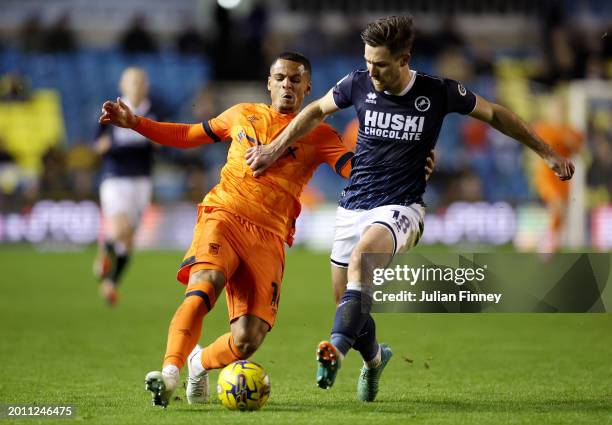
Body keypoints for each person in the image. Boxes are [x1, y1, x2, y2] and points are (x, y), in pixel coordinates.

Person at [245, 15, 575, 402]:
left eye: (381, 65)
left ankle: (334, 350)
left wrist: (547, 153)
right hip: (354, 204)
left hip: (403, 207)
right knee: (350, 298)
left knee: (362, 263)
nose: (372, 72)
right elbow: (315, 111)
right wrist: (271, 149)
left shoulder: (438, 92)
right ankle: (373, 360)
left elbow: (497, 114)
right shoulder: (357, 84)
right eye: (368, 62)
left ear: (404, 59)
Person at [98, 52, 356, 408]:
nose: (287, 85)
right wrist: (136, 123)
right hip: (224, 215)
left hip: (269, 237)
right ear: (269, 82)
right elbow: (189, 134)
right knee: (204, 286)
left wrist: (400, 165)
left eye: (295, 79)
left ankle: (197, 362)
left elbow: (353, 171)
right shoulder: (241, 114)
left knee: (248, 339)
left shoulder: (321, 133)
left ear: (308, 87)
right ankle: (169, 374)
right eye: (280, 77)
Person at [93, 67, 163, 305]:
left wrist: (151, 138)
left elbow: (162, 141)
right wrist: (116, 141)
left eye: (141, 81)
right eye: (132, 81)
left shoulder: (153, 112)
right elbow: (98, 146)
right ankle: (106, 252)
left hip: (142, 179)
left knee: (129, 239)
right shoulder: (111, 112)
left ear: (147, 86)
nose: (137, 85)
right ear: (123, 86)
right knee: (121, 229)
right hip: (116, 177)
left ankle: (110, 282)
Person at [533, 95, 582, 254]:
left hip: (563, 177)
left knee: (562, 212)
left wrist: (571, 144)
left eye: (561, 109)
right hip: (546, 175)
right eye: (555, 109)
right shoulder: (543, 128)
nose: (557, 112)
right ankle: (546, 244)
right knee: (557, 206)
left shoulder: (573, 132)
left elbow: (580, 151)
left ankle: (551, 244)